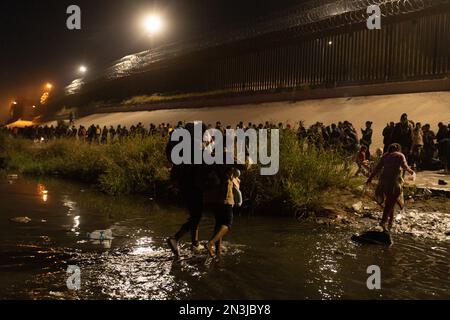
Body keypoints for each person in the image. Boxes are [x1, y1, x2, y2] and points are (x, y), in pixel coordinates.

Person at [367, 143, 414, 232]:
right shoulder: (400, 155)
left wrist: (370, 178)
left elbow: (377, 168)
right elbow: (405, 166)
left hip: (383, 182)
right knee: (389, 204)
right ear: (398, 149)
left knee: (390, 202)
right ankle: (383, 223)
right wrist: (411, 171)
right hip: (394, 183)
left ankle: (390, 224)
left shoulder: (385, 156)